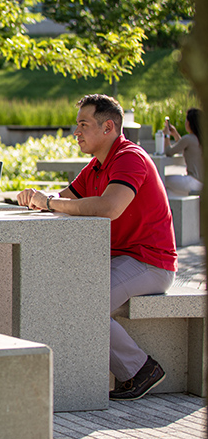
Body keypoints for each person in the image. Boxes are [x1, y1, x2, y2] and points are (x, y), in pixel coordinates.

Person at [18, 94, 177, 401]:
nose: (76, 132)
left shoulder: (130, 158)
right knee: (62, 293)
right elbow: (64, 199)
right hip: (120, 261)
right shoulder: (96, 166)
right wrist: (36, 198)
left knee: (83, 302)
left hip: (149, 263)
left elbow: (108, 208)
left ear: (108, 127)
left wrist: (49, 202)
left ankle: (141, 369)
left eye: (83, 124)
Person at [163, 107, 203, 196]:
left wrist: (166, 136)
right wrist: (175, 134)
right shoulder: (200, 139)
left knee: (162, 180)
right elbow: (183, 146)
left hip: (193, 181)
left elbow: (169, 152)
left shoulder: (188, 138)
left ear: (189, 123)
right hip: (202, 183)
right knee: (170, 192)